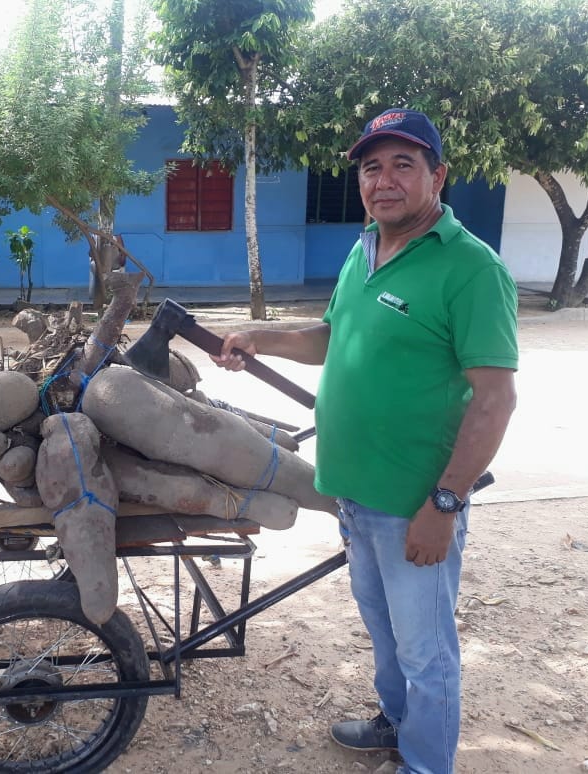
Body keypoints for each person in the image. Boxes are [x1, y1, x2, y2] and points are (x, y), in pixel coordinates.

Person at [212, 108, 518, 774]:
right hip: (354, 495)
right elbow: (332, 338)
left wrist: (444, 504)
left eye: (403, 164)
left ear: (438, 174)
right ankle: (396, 725)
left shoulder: (470, 268)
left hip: (414, 504)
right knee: (385, 634)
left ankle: (425, 764)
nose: (383, 180)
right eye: (371, 167)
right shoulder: (366, 248)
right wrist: (261, 338)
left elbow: (495, 400)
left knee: (425, 650)